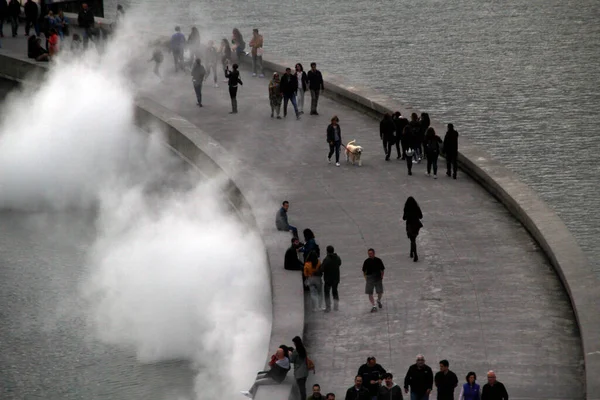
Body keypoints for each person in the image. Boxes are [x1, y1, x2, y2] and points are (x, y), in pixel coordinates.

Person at [362, 248, 385, 313]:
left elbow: (382, 269)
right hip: (370, 278)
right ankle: (374, 306)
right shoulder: (366, 261)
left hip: (378, 277)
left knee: (380, 292)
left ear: (374, 253)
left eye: (371, 253)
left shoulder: (378, 260)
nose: (370, 255)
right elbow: (364, 270)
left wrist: (382, 276)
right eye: (369, 254)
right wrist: (366, 278)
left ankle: (378, 300)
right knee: (370, 292)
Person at [321, 245, 341, 312]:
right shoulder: (337, 257)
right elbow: (340, 263)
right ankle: (336, 307)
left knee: (327, 293)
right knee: (335, 292)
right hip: (336, 279)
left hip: (328, 279)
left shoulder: (326, 259)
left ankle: (328, 307)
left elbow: (322, 269)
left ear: (327, 251)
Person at [403, 197, 423, 262]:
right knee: (413, 239)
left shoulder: (406, 209)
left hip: (410, 225)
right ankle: (411, 252)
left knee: (412, 240)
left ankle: (415, 254)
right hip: (416, 225)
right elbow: (421, 216)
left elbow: (404, 218)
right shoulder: (417, 208)